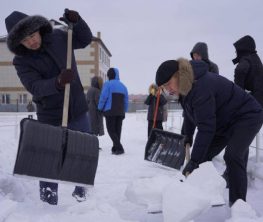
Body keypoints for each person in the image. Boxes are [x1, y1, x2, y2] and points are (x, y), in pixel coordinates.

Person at [5, 9, 93, 205]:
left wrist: (77, 22)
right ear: (19, 43)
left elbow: (85, 39)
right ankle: (48, 200)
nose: (31, 41)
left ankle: (82, 195)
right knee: (49, 160)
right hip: (50, 115)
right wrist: (58, 82)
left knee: (83, 154)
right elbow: (34, 86)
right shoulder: (21, 61)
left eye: (32, 35)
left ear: (38, 29)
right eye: (25, 40)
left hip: (77, 109)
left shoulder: (60, 37)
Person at [155, 58, 263, 206]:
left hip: (246, 116)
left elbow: (206, 128)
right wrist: (187, 136)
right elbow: (189, 115)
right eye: (164, 87)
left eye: (168, 84)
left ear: (178, 75)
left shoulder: (201, 86)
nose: (168, 90)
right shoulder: (186, 88)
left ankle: (239, 206)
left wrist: (193, 161)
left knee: (233, 155)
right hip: (223, 121)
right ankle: (199, 195)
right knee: (203, 156)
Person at [98, 68, 128, 155]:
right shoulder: (123, 86)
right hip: (120, 112)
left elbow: (103, 97)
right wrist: (124, 110)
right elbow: (126, 100)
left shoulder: (107, 85)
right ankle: (115, 148)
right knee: (117, 130)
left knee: (111, 130)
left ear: (109, 75)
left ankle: (119, 147)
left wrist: (100, 108)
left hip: (110, 111)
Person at [233, 35, 263, 107]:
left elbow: (240, 70)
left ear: (243, 49)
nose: (235, 52)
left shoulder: (246, 59)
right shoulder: (255, 58)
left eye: (237, 49)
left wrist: (238, 95)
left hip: (254, 101)